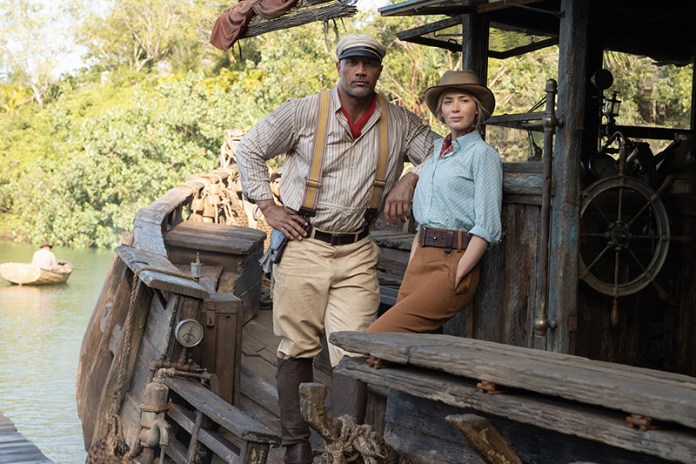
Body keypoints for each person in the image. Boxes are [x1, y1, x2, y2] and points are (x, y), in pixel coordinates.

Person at [235, 33, 437, 464]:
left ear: (379, 70)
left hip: (358, 249)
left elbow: (442, 152)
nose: (361, 71)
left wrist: (412, 176)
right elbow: (250, 149)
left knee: (355, 348)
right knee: (297, 345)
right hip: (303, 242)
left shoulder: (399, 121)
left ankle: (343, 450)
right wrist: (267, 206)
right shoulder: (305, 111)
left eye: (369, 64)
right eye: (353, 62)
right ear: (340, 66)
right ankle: (297, 447)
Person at [367, 69, 503, 338]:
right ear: (440, 110)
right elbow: (423, 211)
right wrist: (414, 260)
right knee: (417, 348)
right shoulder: (435, 154)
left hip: (453, 261)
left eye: (464, 100)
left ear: (477, 109)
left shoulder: (483, 155)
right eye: (448, 101)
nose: (455, 108)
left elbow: (487, 225)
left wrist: (459, 271)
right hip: (420, 261)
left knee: (379, 336)